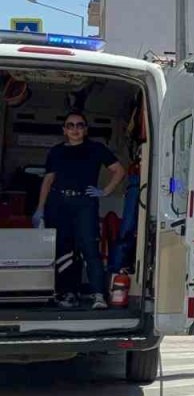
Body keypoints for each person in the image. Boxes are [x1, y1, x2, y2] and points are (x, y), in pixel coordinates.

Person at [34, 111, 126, 310]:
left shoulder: (95, 148)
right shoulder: (56, 151)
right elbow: (48, 180)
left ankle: (99, 295)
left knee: (90, 249)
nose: (75, 129)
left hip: (85, 203)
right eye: (70, 125)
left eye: (79, 125)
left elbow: (119, 170)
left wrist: (105, 191)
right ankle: (67, 294)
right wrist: (40, 208)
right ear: (64, 130)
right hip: (59, 204)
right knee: (63, 251)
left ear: (85, 129)